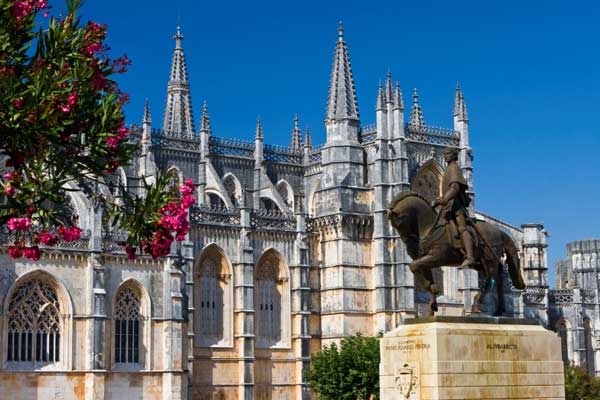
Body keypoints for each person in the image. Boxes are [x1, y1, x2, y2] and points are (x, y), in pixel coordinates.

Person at [432, 147, 475, 267]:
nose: (445, 156)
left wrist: (444, 200)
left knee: (462, 228)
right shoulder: (448, 169)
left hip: (456, 206)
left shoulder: (454, 168)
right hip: (448, 206)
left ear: (453, 156)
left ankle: (470, 257)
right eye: (444, 154)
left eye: (448, 154)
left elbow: (455, 188)